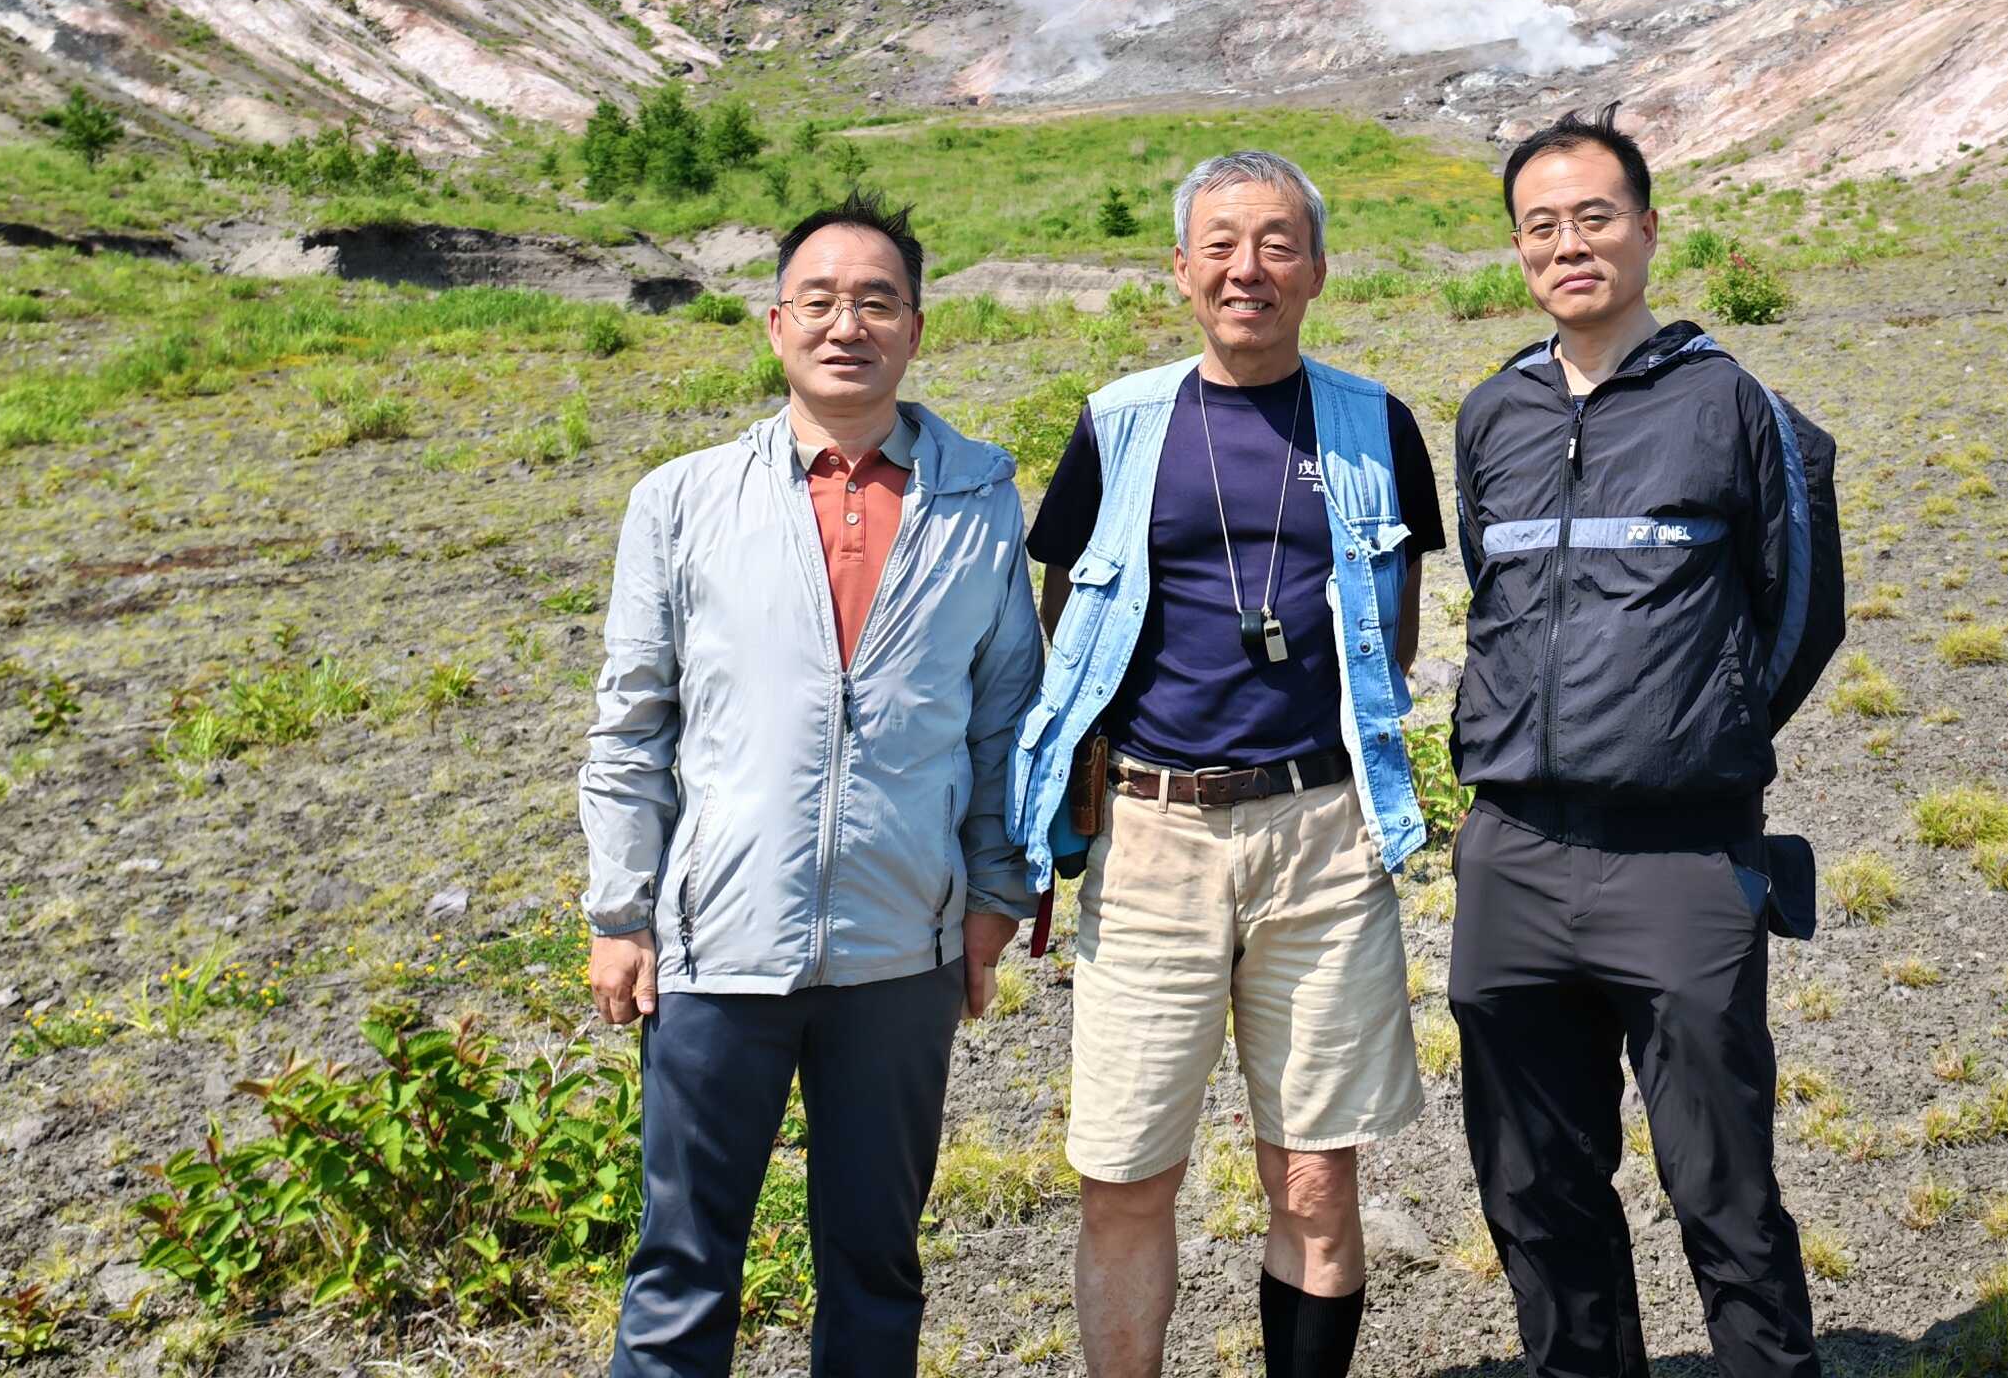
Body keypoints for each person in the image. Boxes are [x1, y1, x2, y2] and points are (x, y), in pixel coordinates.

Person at [580, 191, 1042, 1378]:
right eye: (821, 300)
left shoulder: (980, 499)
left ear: (916, 329)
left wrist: (993, 896)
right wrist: (621, 912)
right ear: (776, 323)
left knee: (876, 1266)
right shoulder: (682, 499)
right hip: (716, 943)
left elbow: (1005, 719)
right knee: (682, 1265)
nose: (849, 325)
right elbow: (632, 725)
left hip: (901, 947)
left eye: (877, 301)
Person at [1007, 150, 1445, 1378]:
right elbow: (1066, 626)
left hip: (1321, 836)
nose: (1247, 269)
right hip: (1152, 837)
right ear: (1181, 269)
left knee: (1314, 1179)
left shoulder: (1374, 426)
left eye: (1276, 243)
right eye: (1220, 244)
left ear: (1317, 269)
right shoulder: (1118, 423)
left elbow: (1394, 628)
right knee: (1125, 1176)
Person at [1445, 105, 1847, 1378]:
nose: (1568, 245)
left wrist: (1698, 733)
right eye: (1540, 227)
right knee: (1533, 1188)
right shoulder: (1492, 416)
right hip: (1511, 855)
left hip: (1681, 861)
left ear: (1648, 229)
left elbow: (1802, 617)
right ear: (1519, 249)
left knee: (1722, 1190)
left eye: (1593, 217)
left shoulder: (1738, 408)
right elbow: (1494, 597)